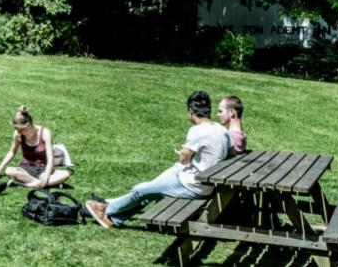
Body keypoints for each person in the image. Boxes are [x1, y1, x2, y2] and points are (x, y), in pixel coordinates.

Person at [84, 91, 230, 228]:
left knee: (141, 190)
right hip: (206, 184)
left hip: (192, 186)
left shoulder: (197, 131)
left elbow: (184, 159)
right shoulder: (222, 130)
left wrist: (182, 153)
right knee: (150, 188)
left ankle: (106, 209)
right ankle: (114, 220)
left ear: (191, 112)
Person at [0, 105, 72, 189]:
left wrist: (46, 176)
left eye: (20, 130)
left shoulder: (45, 133)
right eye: (16, 129)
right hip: (25, 168)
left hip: (43, 169)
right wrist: (0, 167)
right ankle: (39, 183)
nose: (18, 132)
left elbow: (50, 158)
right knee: (9, 171)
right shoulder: (18, 134)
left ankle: (28, 183)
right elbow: (12, 152)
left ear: (28, 125)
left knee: (65, 174)